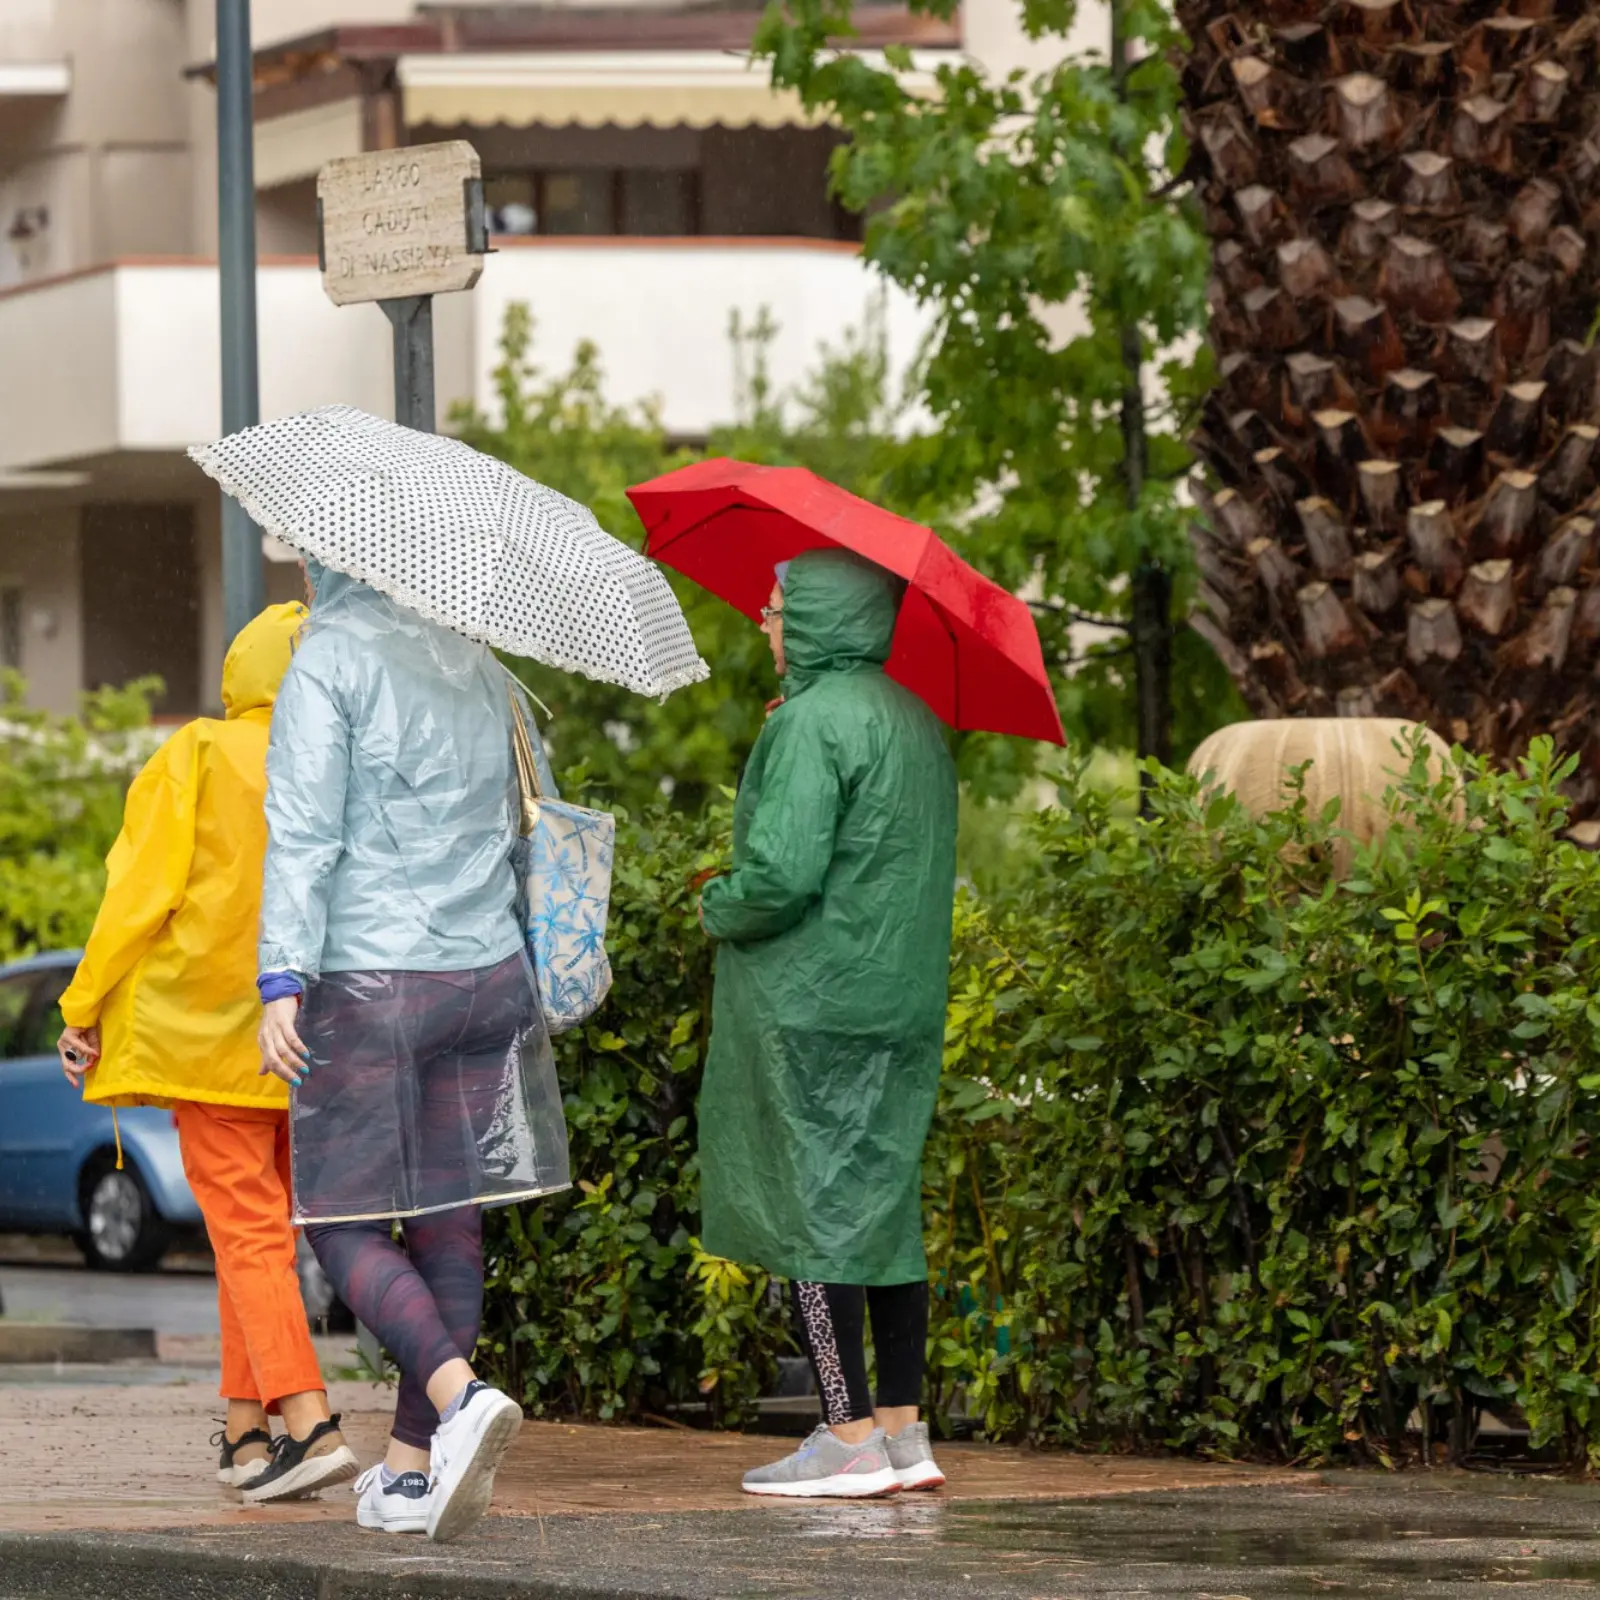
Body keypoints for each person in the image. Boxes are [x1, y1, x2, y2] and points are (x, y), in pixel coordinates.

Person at [254, 560, 569, 1543]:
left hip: (372, 980)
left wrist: (281, 978)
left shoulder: (329, 659)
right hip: (484, 977)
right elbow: (525, 823)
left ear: (332, 559)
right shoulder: (476, 659)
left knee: (337, 1216)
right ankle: (406, 1471)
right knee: (446, 1220)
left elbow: (303, 831)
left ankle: (459, 1392)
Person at [55, 599, 359, 1503]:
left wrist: (83, 1005)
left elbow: (138, 894)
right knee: (254, 1240)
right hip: (310, 1041)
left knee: (249, 1238)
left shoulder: (199, 752)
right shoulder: (339, 763)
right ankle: (245, 1431)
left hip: (210, 1041)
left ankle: (309, 1422)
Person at [697, 548, 959, 1499]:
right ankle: (901, 1430)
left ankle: (842, 1436)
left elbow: (781, 876)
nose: (765, 624)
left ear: (816, 621)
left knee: (815, 1212)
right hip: (899, 1003)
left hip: (812, 1006)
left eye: (775, 610)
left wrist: (714, 903)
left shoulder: (810, 723)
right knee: (885, 1211)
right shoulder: (919, 722)